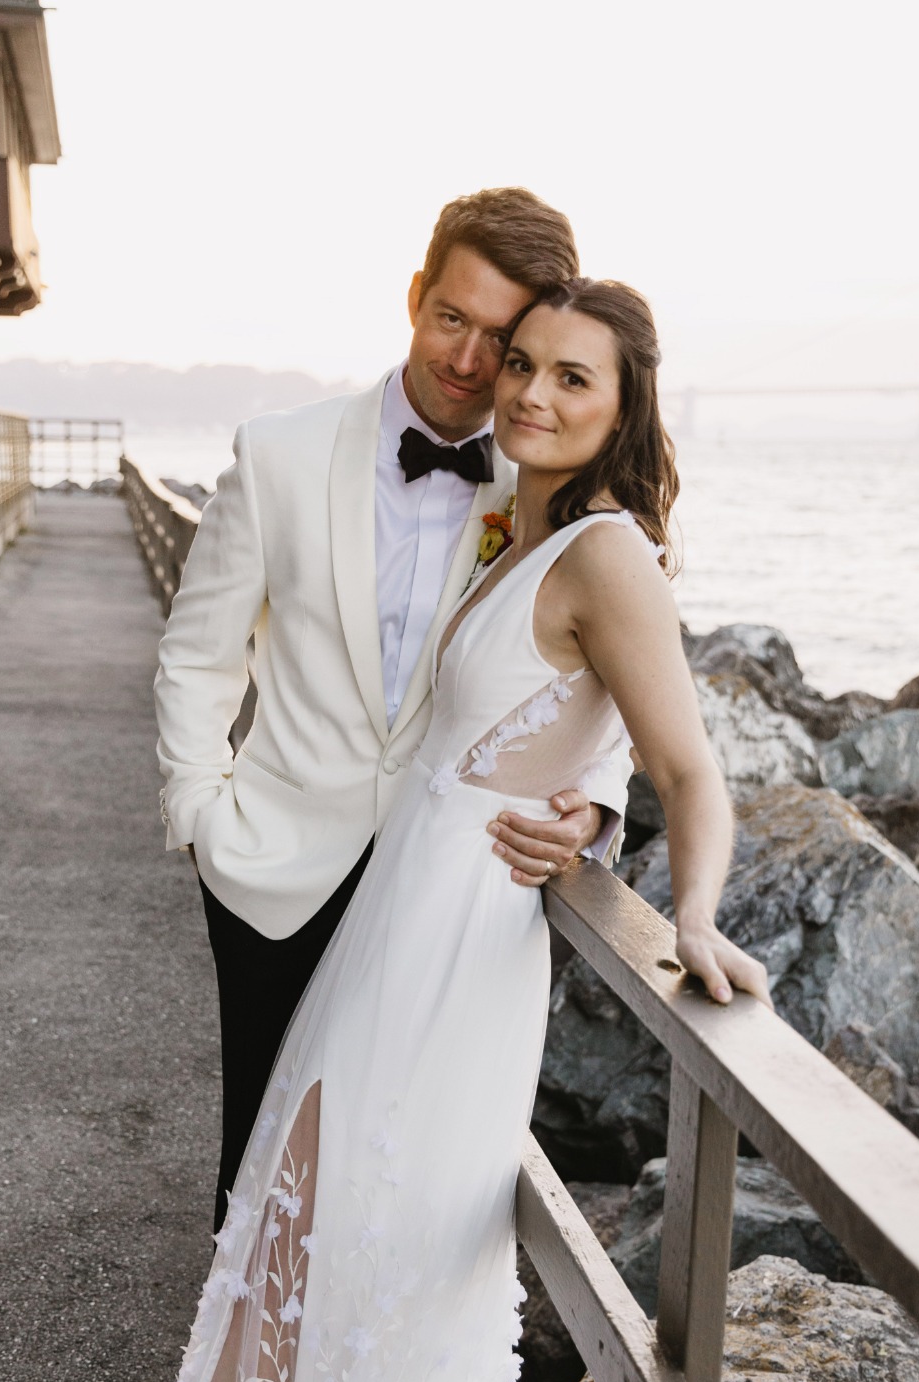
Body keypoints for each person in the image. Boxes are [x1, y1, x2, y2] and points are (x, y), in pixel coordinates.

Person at [0, 277, 769, 1382]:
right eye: (522, 366)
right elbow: (510, 718)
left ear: (630, 407)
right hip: (386, 931)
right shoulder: (526, 521)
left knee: (376, 1246)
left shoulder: (612, 550)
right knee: (297, 1230)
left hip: (456, 958)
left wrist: (682, 913)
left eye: (575, 378)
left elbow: (686, 764)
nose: (531, 394)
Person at [152, 188, 635, 1236]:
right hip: (274, 866)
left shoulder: (540, 483)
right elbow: (198, 653)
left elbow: (600, 684)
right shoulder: (280, 452)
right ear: (415, 296)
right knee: (263, 1163)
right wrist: (199, 814)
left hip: (444, 890)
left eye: (501, 340)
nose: (467, 361)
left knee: (396, 1177)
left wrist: (592, 811)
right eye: (449, 317)